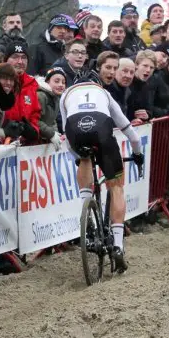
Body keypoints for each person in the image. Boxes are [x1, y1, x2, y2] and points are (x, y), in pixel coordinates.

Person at [60, 79, 144, 272]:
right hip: (102, 128)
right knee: (116, 187)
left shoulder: (66, 94)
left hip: (75, 128)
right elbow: (130, 132)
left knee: (84, 159)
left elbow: (66, 132)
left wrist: (78, 157)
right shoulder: (104, 93)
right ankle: (118, 245)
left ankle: (86, 210)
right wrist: (138, 154)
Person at [3, 40, 41, 141]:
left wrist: (33, 129)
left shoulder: (32, 84)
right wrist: (4, 126)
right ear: (6, 60)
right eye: (15, 57)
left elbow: (35, 114)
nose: (20, 61)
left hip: (24, 148)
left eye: (24, 57)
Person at [37, 67, 65, 148]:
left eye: (63, 82)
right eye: (56, 81)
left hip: (44, 138)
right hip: (34, 140)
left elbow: (53, 120)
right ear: (47, 82)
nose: (61, 85)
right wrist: (51, 134)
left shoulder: (56, 97)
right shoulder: (41, 96)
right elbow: (34, 120)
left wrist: (56, 134)